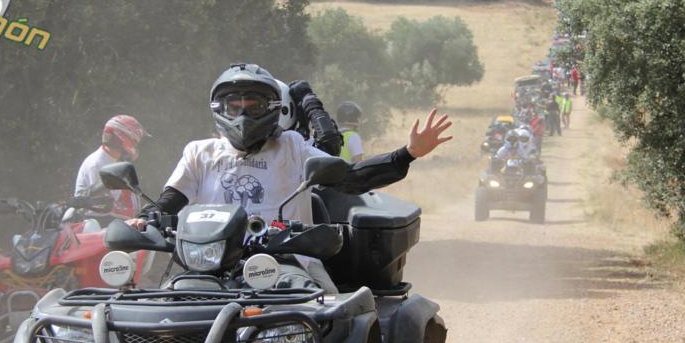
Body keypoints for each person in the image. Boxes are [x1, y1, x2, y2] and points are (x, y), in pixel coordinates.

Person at [127, 64, 452, 292]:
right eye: (234, 106)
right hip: (209, 266)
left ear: (272, 108)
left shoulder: (291, 146)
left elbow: (350, 179)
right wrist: (144, 219)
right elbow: (170, 200)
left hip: (287, 263)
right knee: (164, 306)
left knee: (333, 324)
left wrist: (407, 153)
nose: (243, 115)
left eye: (253, 106)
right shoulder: (200, 152)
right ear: (219, 109)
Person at [75, 115, 149, 218]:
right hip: (98, 223)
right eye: (135, 141)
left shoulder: (114, 161)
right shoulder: (97, 164)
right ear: (123, 138)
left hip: (114, 222)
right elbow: (104, 208)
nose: (136, 145)